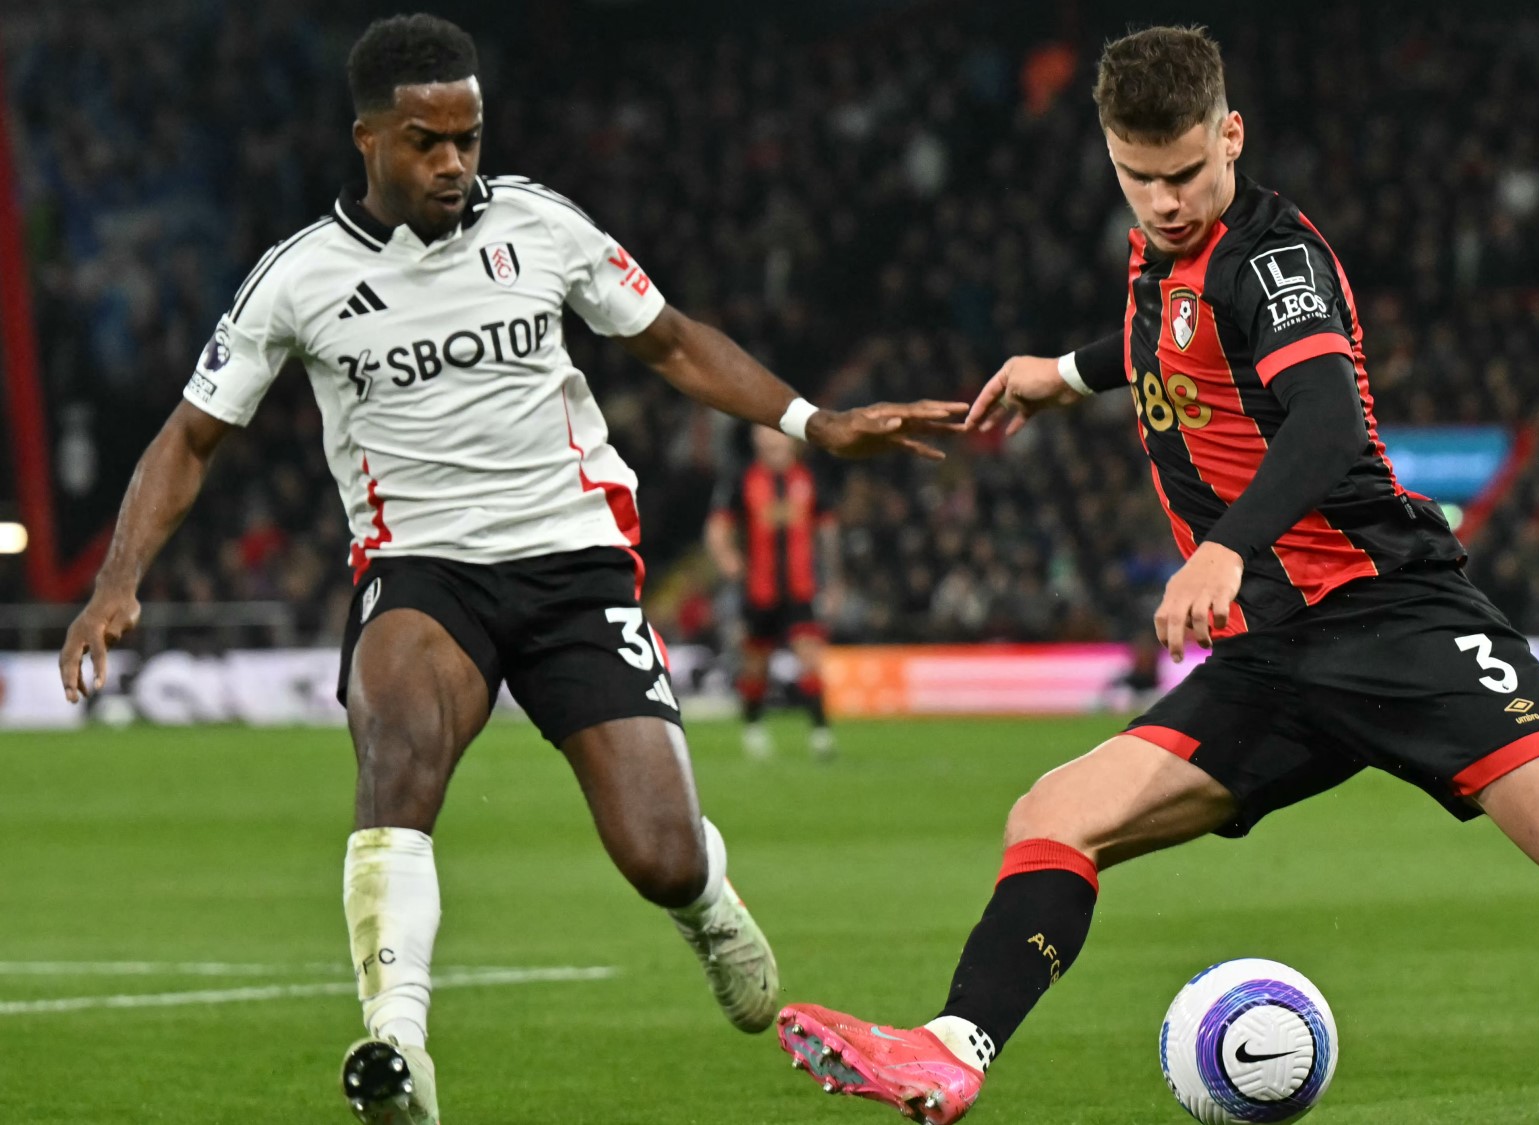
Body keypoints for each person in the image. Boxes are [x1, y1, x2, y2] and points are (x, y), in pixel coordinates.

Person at [773, 27, 1539, 1124]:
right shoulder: (1163, 255)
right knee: (1054, 812)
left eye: (1185, 173)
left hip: (1392, 616)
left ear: (1232, 135)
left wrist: (1226, 545)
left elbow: (1326, 421)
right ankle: (951, 1050)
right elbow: (1169, 340)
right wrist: (1063, 374)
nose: (1164, 201)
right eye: (1137, 177)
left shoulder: (1274, 261)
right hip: (1271, 652)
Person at [54, 15, 963, 1125]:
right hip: (421, 568)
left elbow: (671, 341)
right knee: (396, 760)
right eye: (426, 142)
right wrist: (117, 580)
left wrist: (815, 422)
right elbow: (191, 436)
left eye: (468, 138)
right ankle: (397, 1047)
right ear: (368, 139)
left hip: (574, 562)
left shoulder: (541, 224)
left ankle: (706, 898)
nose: (453, 163)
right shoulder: (298, 278)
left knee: (658, 856)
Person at [705, 426, 837, 759]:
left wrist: (834, 580)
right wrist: (726, 557)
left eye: (776, 436)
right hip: (758, 591)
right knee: (755, 666)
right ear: (757, 442)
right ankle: (753, 727)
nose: (771, 442)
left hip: (801, 588)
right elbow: (718, 526)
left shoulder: (809, 478)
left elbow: (827, 529)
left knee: (810, 658)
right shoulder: (743, 480)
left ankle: (821, 734)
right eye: (765, 436)